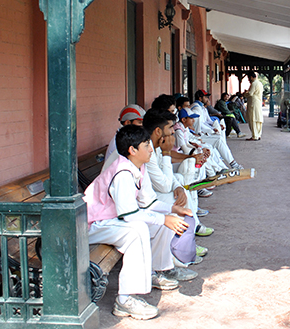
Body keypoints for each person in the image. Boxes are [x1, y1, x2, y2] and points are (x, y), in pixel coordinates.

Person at [84, 125, 192, 320]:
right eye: (146, 146)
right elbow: (130, 216)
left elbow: (148, 202)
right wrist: (164, 218)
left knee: (163, 221)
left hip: (111, 220)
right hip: (91, 225)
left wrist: (171, 210)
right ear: (133, 150)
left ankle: (157, 271)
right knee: (136, 231)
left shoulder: (138, 166)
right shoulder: (122, 173)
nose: (151, 149)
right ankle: (125, 300)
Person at [143, 108, 215, 239]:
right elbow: (164, 186)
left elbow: (166, 177)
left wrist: (178, 187)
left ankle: (190, 234)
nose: (172, 131)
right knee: (175, 200)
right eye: (170, 127)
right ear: (158, 131)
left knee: (180, 185)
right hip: (139, 205)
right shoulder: (147, 149)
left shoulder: (156, 145)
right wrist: (167, 152)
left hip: (151, 193)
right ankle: (185, 243)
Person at [190, 90, 244, 170]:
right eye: (205, 97)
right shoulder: (196, 108)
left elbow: (207, 121)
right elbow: (200, 124)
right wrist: (211, 130)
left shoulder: (202, 107)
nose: (207, 99)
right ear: (200, 98)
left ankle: (226, 167)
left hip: (202, 134)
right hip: (199, 135)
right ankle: (230, 166)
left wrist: (214, 127)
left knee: (218, 138)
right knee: (217, 140)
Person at [243, 71, 264, 140]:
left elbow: (250, 93)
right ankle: (258, 134)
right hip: (258, 102)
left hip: (253, 103)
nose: (249, 80)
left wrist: (245, 94)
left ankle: (254, 136)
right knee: (258, 119)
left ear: (251, 77)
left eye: (249, 78)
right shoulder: (260, 83)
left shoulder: (254, 83)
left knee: (253, 119)